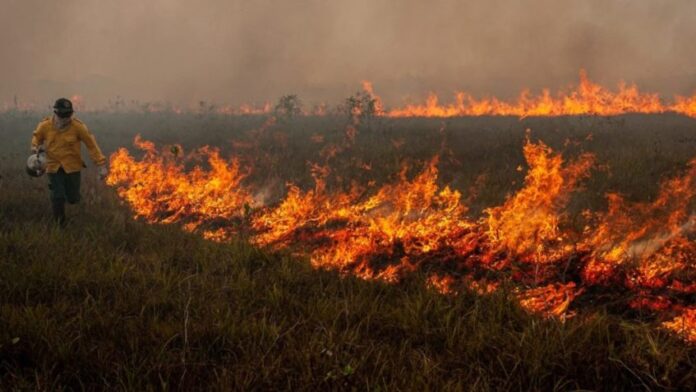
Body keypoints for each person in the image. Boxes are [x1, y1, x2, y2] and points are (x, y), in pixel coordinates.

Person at [30, 98, 108, 226]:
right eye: (62, 115)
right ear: (55, 113)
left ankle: (72, 202)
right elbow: (36, 138)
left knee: (73, 198)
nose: (65, 118)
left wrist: (101, 165)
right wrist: (35, 148)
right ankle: (60, 225)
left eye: (68, 115)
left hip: (72, 167)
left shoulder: (78, 127)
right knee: (58, 195)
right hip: (53, 166)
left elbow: (91, 145)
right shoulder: (44, 126)